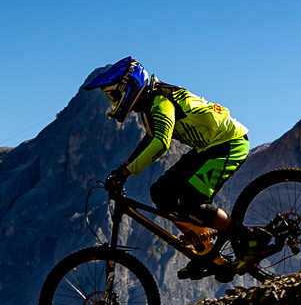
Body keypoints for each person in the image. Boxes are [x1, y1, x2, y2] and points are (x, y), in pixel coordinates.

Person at [79, 58, 258, 281]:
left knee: (191, 202)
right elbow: (151, 138)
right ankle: (208, 253)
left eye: (114, 95)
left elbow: (161, 144)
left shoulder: (160, 101)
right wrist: (122, 169)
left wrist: (126, 172)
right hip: (208, 147)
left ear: (129, 87)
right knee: (161, 192)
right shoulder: (149, 105)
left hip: (229, 143)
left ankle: (248, 237)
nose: (113, 101)